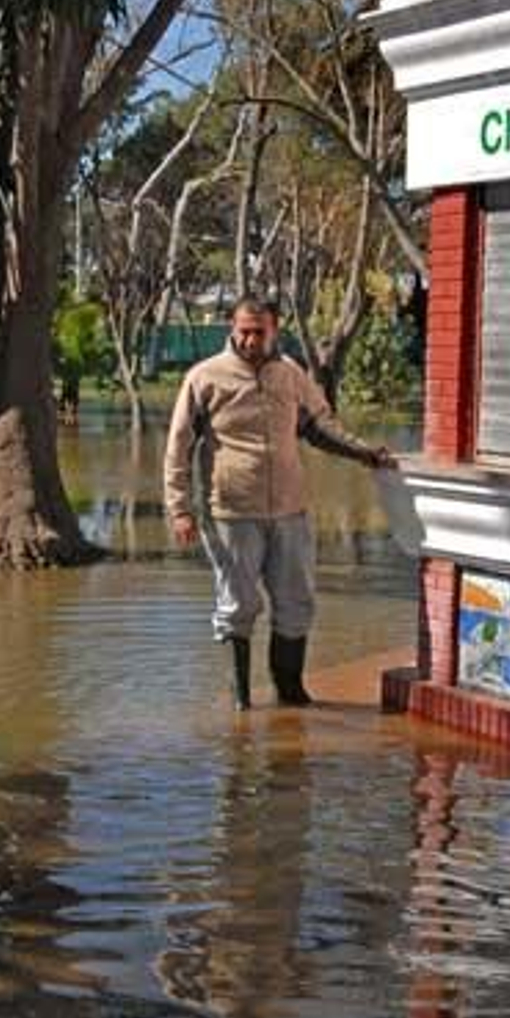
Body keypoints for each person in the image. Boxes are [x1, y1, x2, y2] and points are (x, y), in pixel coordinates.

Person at [164, 297, 396, 711]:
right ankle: (242, 701)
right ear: (231, 329)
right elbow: (178, 447)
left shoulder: (291, 375)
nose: (251, 339)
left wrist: (366, 453)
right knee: (238, 605)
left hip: (290, 510)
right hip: (230, 512)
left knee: (296, 602)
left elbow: (320, 427)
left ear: (275, 330)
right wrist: (179, 509)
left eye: (260, 331)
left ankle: (291, 695)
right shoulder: (205, 378)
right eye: (243, 331)